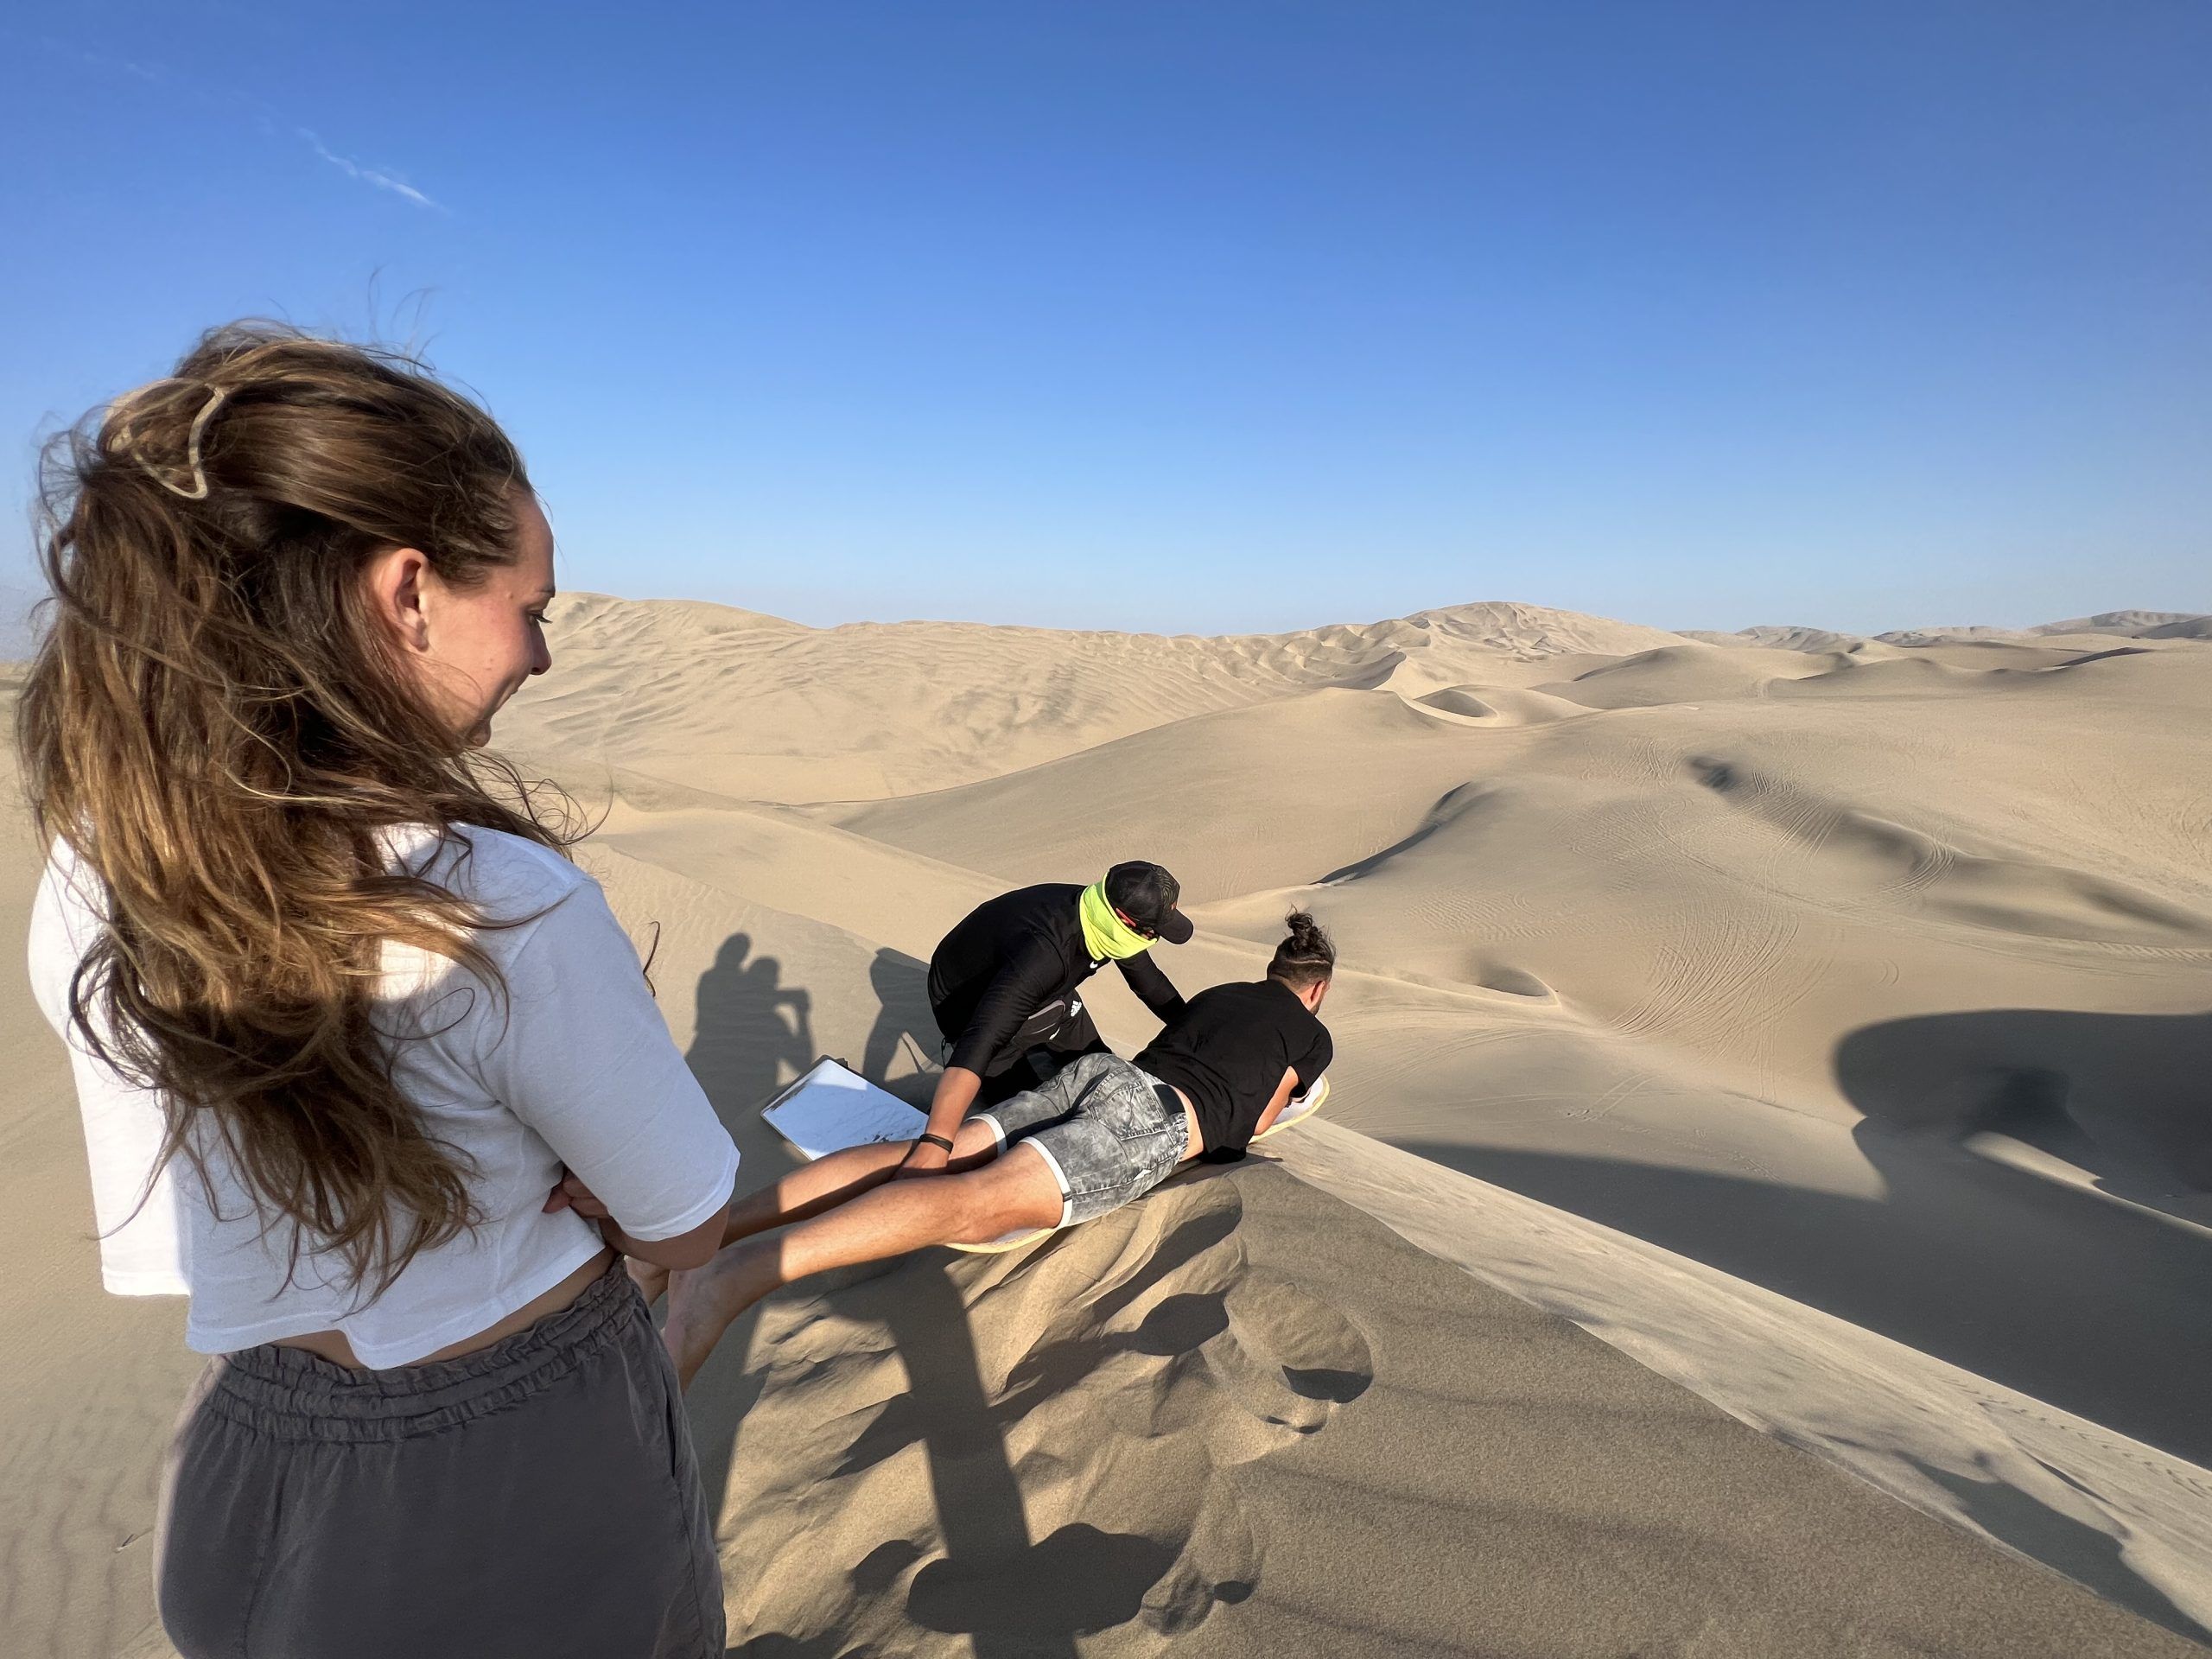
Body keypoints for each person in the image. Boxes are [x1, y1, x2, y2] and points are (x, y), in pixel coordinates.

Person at [22, 325, 738, 1658]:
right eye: (530, 608)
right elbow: (689, 1225)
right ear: (407, 592)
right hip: (517, 1465)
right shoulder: (495, 903)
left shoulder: (99, 867)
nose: (536, 655)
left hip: (247, 1454)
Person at [604, 912, 1337, 1388]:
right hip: (1151, 1122)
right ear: (1317, 991)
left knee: (938, 1151)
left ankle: (700, 1236)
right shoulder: (1311, 1035)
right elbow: (1267, 1115)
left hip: (1099, 1074)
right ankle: (735, 1277)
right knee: (978, 1205)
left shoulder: (1216, 996)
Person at [906, 862, 1194, 1181]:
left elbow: (1150, 984)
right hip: (967, 1003)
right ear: (1126, 922)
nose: (1154, 940)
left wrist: (1194, 1030)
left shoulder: (1101, 913)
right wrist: (936, 1143)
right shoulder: (1045, 955)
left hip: (1048, 993)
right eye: (1154, 932)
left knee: (1104, 1072)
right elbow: (981, 1038)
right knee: (1036, 1113)